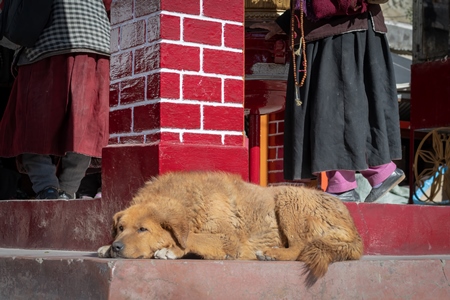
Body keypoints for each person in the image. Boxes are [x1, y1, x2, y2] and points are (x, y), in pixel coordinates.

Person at [251, 0, 404, 202]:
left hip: (343, 30)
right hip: (331, 29)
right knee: (335, 106)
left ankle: (344, 185)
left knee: (333, 107)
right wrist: (286, 21)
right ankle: (378, 172)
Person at [0, 0, 111, 199]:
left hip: (43, 45)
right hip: (96, 43)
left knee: (31, 126)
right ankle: (68, 191)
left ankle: (48, 188)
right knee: (84, 129)